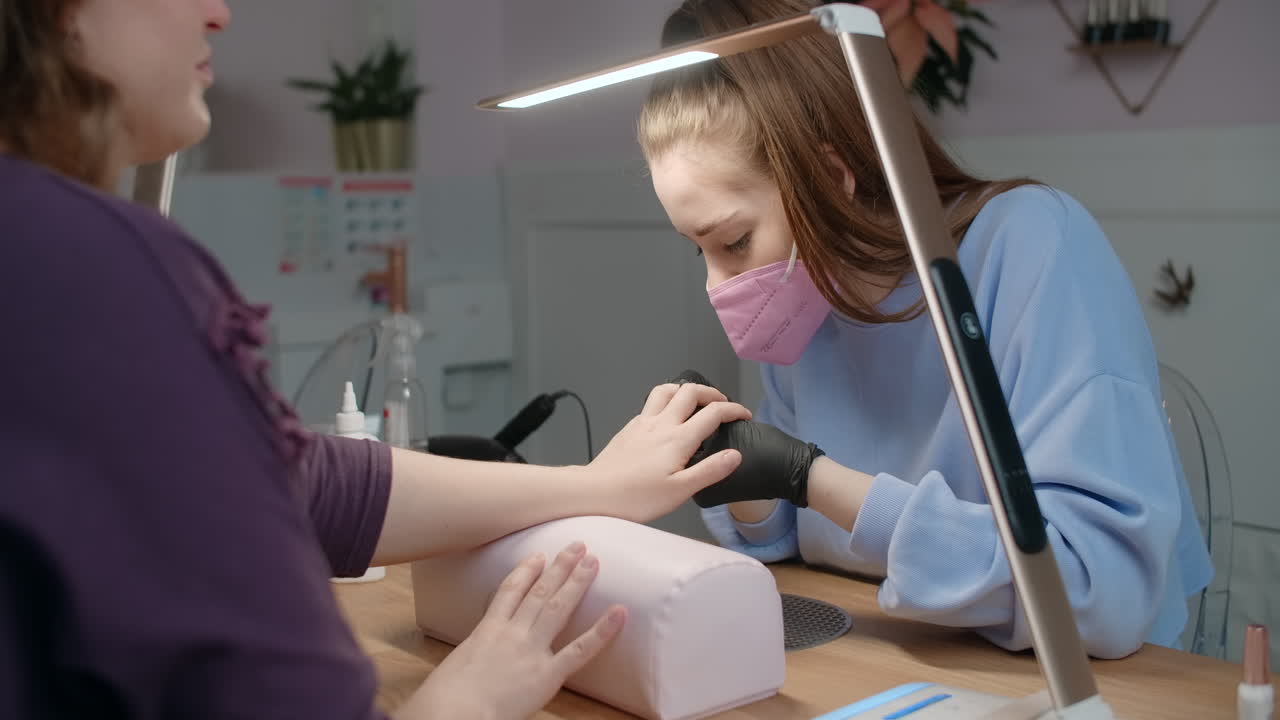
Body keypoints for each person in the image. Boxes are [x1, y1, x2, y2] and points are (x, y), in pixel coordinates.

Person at [0, 1, 752, 718]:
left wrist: (593, 487)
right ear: (55, 10)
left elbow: (305, 482)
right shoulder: (91, 265)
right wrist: (468, 701)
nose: (219, 13)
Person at [637, 0, 1213, 659]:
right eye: (698, 249)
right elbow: (788, 543)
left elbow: (1098, 593)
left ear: (829, 179)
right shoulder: (808, 300)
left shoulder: (1030, 245)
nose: (718, 286)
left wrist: (811, 477)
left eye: (735, 241)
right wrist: (735, 469)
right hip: (906, 662)